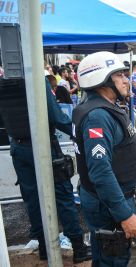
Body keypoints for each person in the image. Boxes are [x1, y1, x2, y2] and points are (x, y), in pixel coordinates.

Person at [0, 78, 91, 263]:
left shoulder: (3, 87)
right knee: (64, 198)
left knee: (32, 199)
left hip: (18, 148)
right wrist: (82, 133)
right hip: (44, 148)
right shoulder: (37, 82)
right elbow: (58, 119)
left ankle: (43, 248)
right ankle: (78, 248)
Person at [73, 51, 136, 266]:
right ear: (102, 80)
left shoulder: (102, 109)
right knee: (114, 258)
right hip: (109, 203)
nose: (126, 80)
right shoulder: (98, 116)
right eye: (120, 75)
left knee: (103, 253)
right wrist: (124, 215)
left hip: (107, 198)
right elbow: (100, 171)